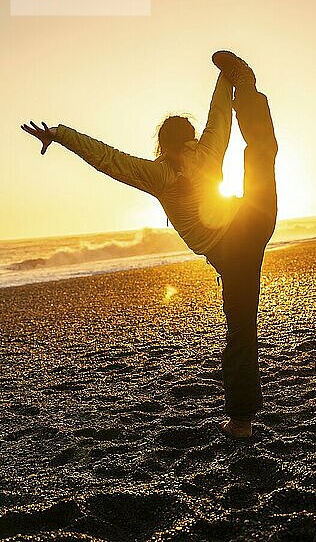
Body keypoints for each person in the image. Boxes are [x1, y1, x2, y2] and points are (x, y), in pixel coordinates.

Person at [20, 50, 278, 440]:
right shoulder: (205, 149)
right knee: (260, 152)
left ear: (163, 144)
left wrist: (60, 135)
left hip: (232, 246)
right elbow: (220, 116)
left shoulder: (160, 173)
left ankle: (241, 422)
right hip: (254, 219)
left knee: (241, 327)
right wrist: (229, 80)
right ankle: (248, 85)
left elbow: (109, 159)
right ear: (187, 139)